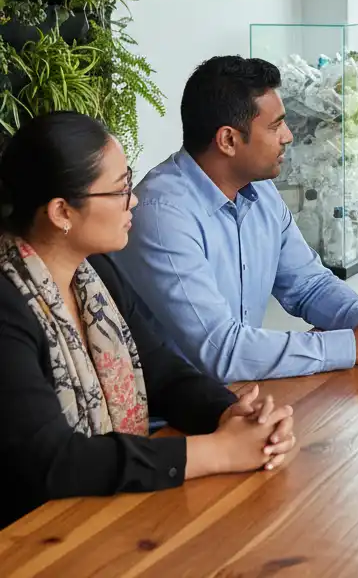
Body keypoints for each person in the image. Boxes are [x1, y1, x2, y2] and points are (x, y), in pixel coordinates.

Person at [0, 112, 297, 530]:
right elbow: (52, 460)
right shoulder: (8, 302)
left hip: (104, 516)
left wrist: (231, 416)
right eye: (121, 190)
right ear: (62, 212)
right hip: (30, 537)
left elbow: (165, 372)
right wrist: (217, 453)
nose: (133, 200)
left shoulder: (96, 273)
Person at [116, 56, 358, 385]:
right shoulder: (161, 215)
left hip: (237, 394)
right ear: (228, 140)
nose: (288, 136)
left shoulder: (260, 190)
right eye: (276, 126)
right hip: (169, 417)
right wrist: (356, 344)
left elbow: (309, 286)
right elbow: (222, 350)